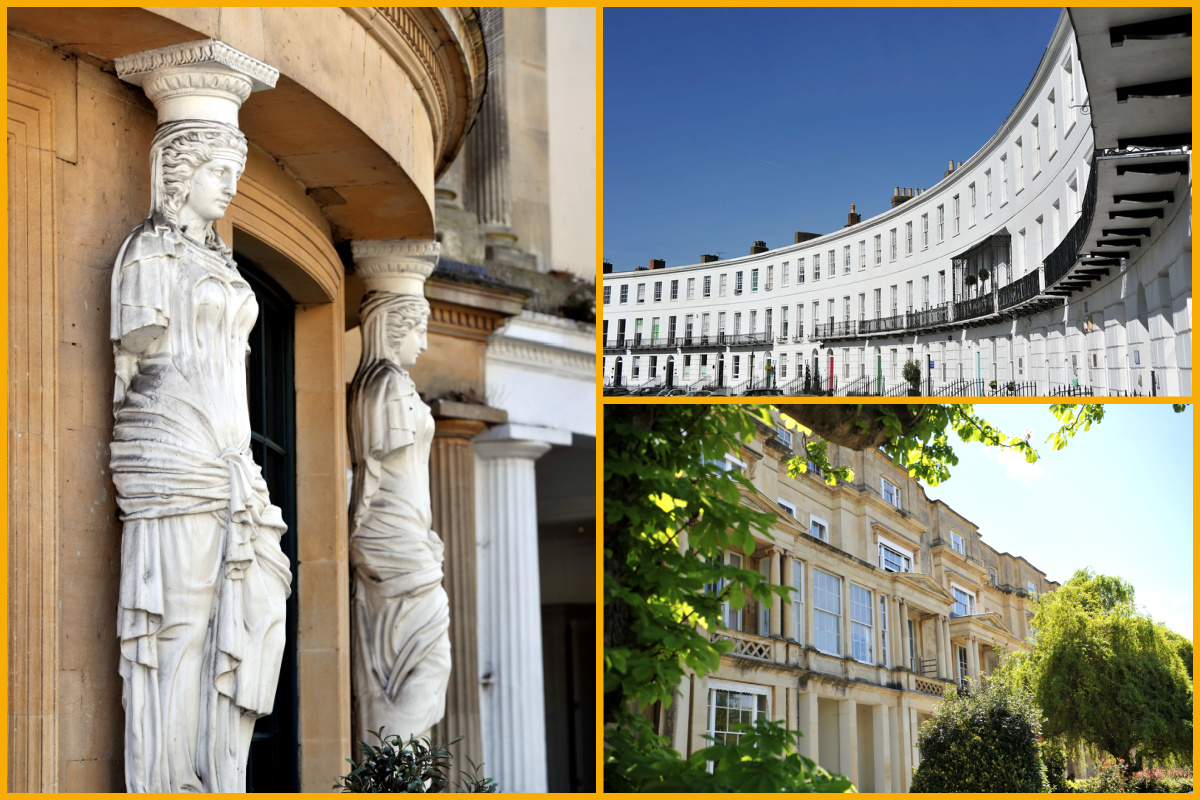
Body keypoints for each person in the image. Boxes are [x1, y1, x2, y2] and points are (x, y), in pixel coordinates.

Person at [110, 120, 291, 792]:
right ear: (181, 174)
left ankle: (219, 775)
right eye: (221, 172)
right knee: (180, 628)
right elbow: (134, 356)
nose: (232, 188)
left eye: (235, 174)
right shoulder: (148, 256)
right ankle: (166, 778)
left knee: (247, 614)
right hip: (175, 445)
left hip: (230, 458)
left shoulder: (223, 263)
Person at [348, 289, 451, 748]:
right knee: (429, 659)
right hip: (393, 533)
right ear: (393, 330)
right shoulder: (385, 383)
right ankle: (392, 770)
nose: (424, 344)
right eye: (417, 330)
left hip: (409, 531)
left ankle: (396, 773)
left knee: (423, 658)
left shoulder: (393, 383)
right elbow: (373, 470)